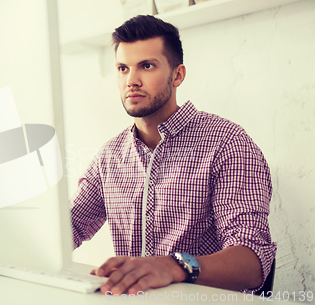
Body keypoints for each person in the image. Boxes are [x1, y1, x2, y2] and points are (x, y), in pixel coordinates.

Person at [69, 15, 276, 295]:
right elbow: (68, 228)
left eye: (147, 66)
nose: (132, 80)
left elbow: (252, 264)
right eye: (122, 68)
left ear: (177, 75)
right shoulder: (110, 156)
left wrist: (174, 266)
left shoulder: (227, 144)